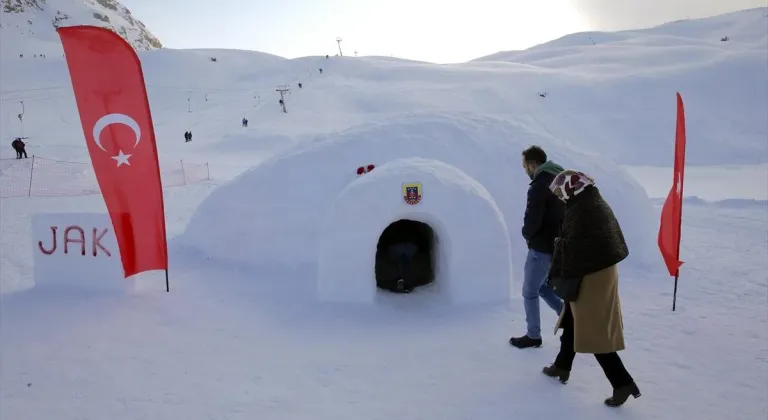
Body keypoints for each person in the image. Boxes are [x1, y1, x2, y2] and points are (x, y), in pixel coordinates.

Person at [542, 170, 640, 407]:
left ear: (570, 187)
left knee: (592, 330)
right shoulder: (587, 200)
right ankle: (562, 366)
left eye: (559, 191)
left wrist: (558, 246)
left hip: (593, 274)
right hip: (594, 270)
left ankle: (623, 383)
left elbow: (577, 245)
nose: (559, 196)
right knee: (574, 320)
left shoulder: (585, 208)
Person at [510, 145, 565, 349]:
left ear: (533, 165)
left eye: (525, 166)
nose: (525, 170)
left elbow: (532, 220)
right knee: (543, 288)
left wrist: (526, 234)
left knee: (529, 291)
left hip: (541, 248)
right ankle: (568, 317)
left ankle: (533, 336)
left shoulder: (539, 185)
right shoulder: (558, 179)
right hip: (557, 245)